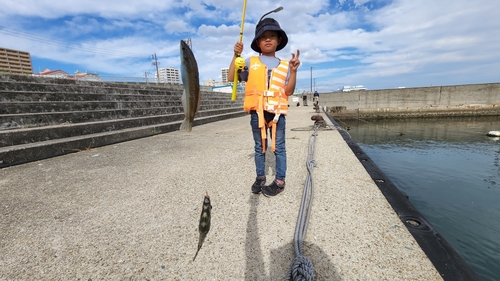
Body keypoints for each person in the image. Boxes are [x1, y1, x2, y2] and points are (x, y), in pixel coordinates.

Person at [228, 16, 300, 197]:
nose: (268, 39)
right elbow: (231, 78)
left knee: (279, 148)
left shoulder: (286, 65)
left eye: (272, 36)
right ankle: (260, 176)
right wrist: (235, 55)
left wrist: (293, 71)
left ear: (279, 41)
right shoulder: (248, 62)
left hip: (277, 114)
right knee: (260, 147)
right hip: (257, 113)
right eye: (263, 36)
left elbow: (289, 91)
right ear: (258, 43)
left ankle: (280, 180)